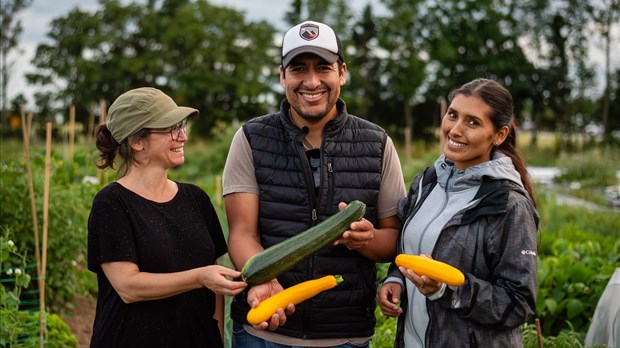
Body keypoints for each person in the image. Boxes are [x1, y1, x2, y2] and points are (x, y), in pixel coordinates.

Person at [223, 20, 406, 347]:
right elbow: (242, 232)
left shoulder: (377, 143)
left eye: (323, 68)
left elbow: (393, 238)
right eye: (298, 69)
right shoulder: (251, 138)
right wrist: (264, 280)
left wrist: (367, 239)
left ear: (342, 73)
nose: (311, 81)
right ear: (282, 76)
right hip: (263, 331)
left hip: (345, 335)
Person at [377, 78, 539, 348]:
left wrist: (447, 290)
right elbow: (411, 249)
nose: (455, 129)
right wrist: (396, 278)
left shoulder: (508, 204)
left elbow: (519, 303)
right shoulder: (427, 182)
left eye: (473, 122)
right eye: (453, 115)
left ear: (499, 135)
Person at [87, 87, 247, 348]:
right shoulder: (112, 203)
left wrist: (216, 335)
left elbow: (213, 280)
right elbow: (128, 286)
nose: (182, 136)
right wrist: (198, 277)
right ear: (137, 141)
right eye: (171, 128)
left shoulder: (196, 199)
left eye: (182, 126)